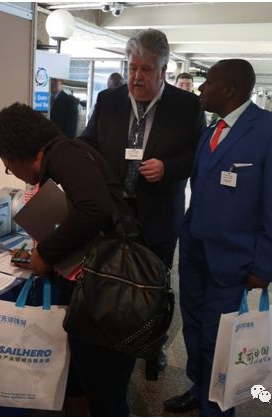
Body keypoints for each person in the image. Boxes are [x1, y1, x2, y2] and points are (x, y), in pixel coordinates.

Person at [164, 59, 272, 416]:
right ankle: (200, 388)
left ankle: (216, 406)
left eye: (209, 82)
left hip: (235, 259)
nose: (201, 88)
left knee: (221, 338)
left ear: (230, 88)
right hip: (195, 252)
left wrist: (264, 264)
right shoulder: (211, 130)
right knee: (194, 328)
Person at [0, 102, 137, 416]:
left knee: (106, 393)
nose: (12, 172)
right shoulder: (62, 157)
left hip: (107, 295)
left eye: (7, 166)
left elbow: (94, 208)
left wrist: (45, 253)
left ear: (14, 155)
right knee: (80, 380)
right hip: (93, 288)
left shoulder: (66, 154)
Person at [79, 29, 205, 377]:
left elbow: (198, 157)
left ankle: (152, 348)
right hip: (113, 213)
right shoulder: (109, 100)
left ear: (163, 70)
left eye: (146, 69)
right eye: (132, 67)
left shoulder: (187, 107)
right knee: (109, 278)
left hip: (159, 214)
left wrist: (169, 168)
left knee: (155, 286)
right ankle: (110, 339)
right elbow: (89, 142)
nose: (136, 76)